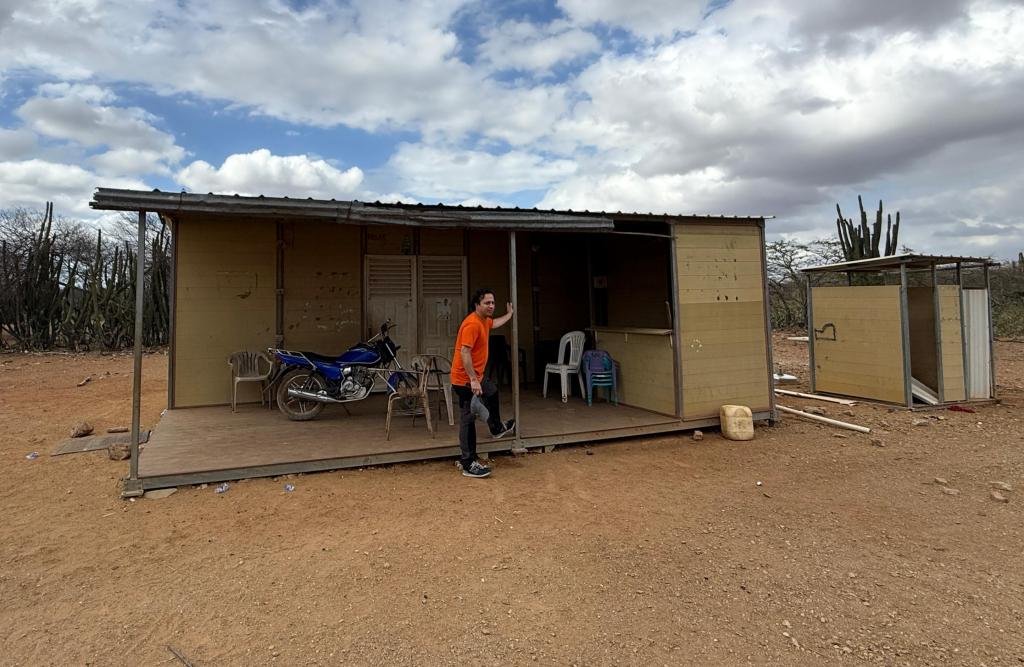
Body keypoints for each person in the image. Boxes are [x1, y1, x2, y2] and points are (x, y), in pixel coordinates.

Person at [450, 287, 516, 478]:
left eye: (493, 302)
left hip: (477, 376)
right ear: (477, 305)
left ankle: (496, 428)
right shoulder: (472, 324)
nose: (491, 306)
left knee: (492, 391)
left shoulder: (484, 320)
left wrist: (509, 314)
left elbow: (495, 323)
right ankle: (468, 462)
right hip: (464, 380)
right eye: (487, 303)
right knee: (468, 418)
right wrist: (472, 380)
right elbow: (465, 352)